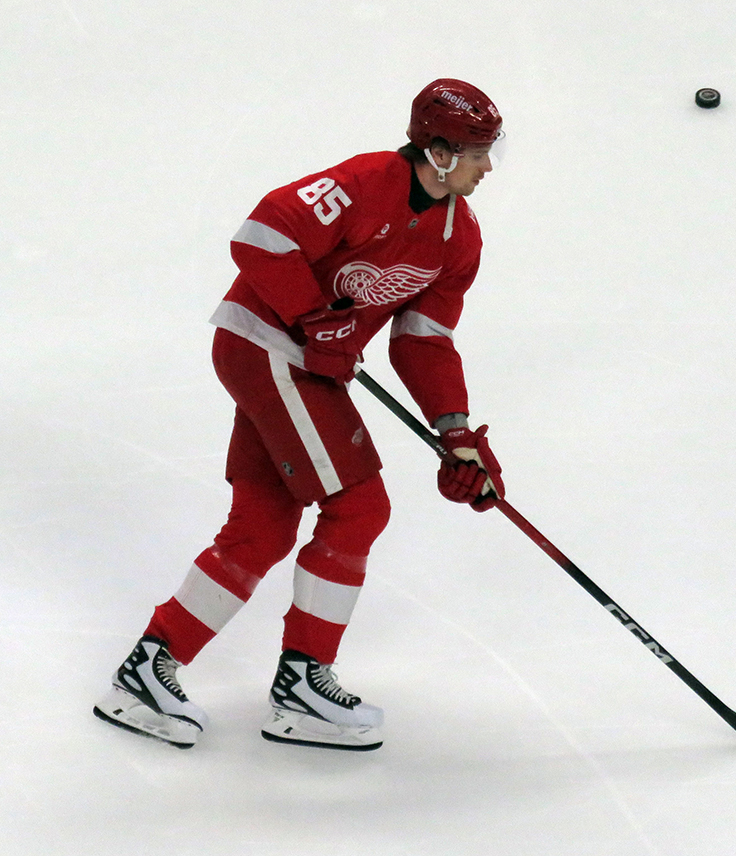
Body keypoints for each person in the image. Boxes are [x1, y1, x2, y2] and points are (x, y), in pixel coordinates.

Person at [93, 79, 507, 751]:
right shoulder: (361, 181)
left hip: (303, 362)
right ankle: (304, 682)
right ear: (435, 151)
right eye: (476, 153)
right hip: (267, 344)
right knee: (360, 506)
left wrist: (456, 435)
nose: (487, 166)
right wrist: (314, 320)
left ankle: (147, 670)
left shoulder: (458, 240)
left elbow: (424, 339)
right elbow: (260, 236)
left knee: (261, 527)